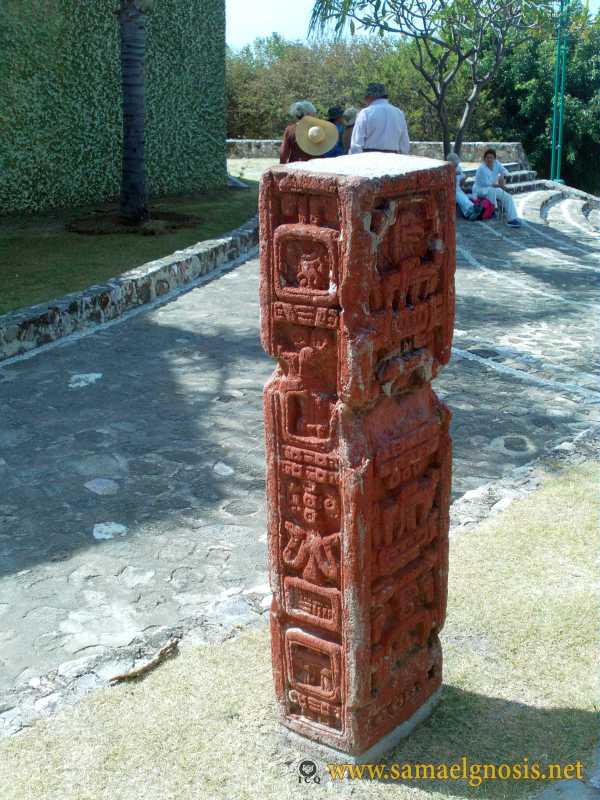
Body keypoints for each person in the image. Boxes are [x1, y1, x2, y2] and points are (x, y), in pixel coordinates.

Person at [349, 83, 409, 155]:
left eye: (365, 97)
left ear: (370, 96)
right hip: (393, 159)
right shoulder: (399, 113)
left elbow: (356, 145)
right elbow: (405, 145)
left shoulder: (366, 113)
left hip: (370, 159)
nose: (364, 100)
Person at [472, 148, 522, 227]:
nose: (489, 159)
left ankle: (512, 219)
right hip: (480, 189)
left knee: (507, 197)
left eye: (491, 157)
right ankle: (493, 211)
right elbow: (489, 184)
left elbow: (505, 171)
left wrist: (502, 176)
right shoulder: (482, 169)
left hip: (492, 188)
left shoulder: (497, 163)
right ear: (484, 159)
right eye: (487, 157)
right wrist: (501, 186)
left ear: (494, 158)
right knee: (492, 190)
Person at [446, 153, 483, 221]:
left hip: (457, 190)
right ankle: (472, 208)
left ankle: (469, 214)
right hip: (449, 191)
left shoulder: (458, 168)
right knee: (459, 195)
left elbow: (461, 184)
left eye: (457, 163)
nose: (456, 165)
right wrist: (453, 173)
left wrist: (464, 179)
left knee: (461, 196)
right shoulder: (446, 170)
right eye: (455, 163)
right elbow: (448, 183)